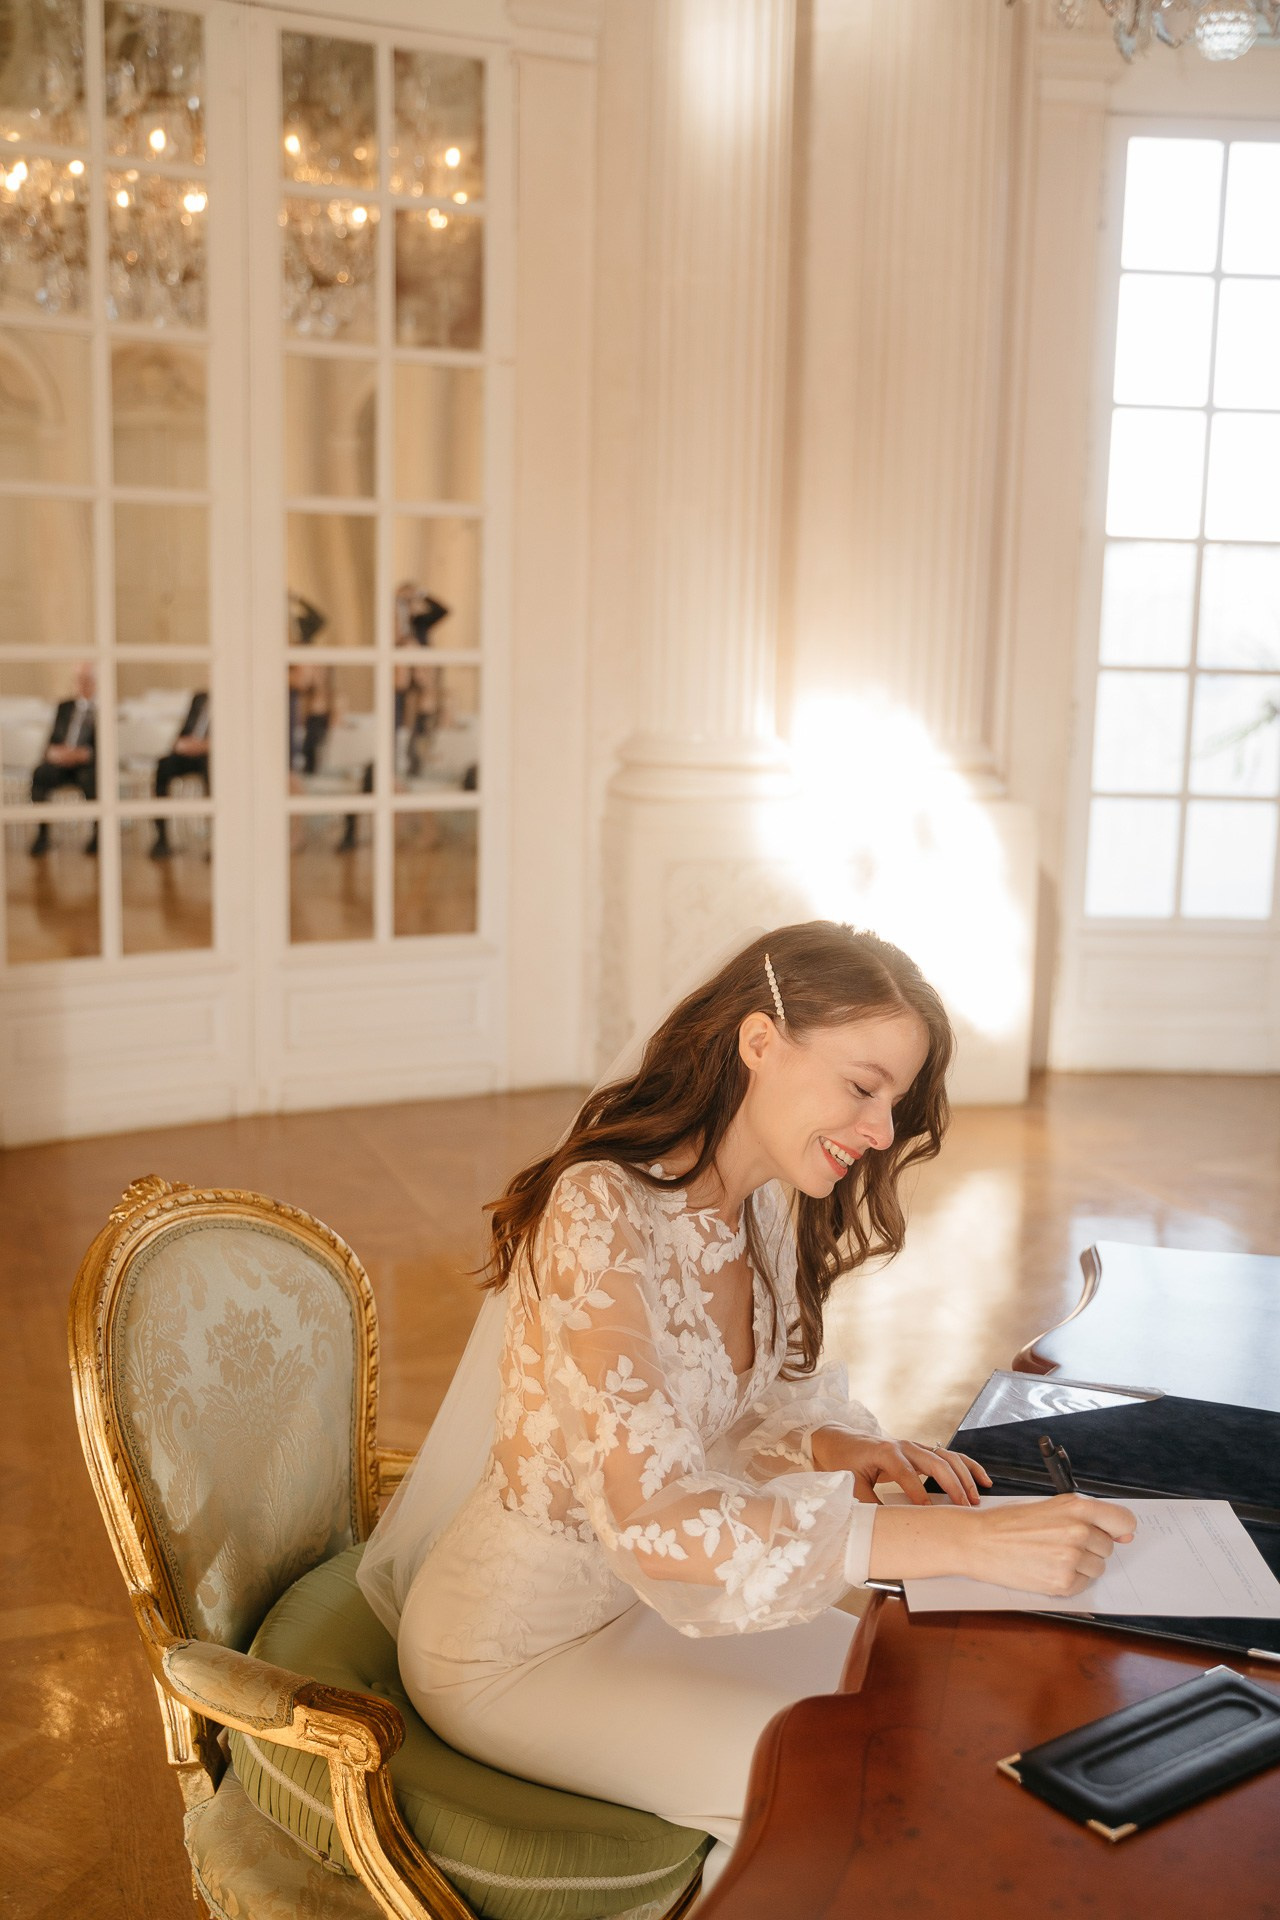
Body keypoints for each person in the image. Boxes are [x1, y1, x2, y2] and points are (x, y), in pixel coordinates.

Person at [359, 924, 1135, 1882]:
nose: (885, 1132)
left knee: (920, 1715)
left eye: (898, 1099)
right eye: (864, 1086)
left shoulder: (766, 1202)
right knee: (845, 1795)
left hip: (660, 1609)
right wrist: (961, 1544)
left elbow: (755, 1404)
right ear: (760, 1041)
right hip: (521, 1646)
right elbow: (651, 1520)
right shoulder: (597, 1211)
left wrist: (854, 1449)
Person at [29, 662, 98, 857]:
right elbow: (52, 740)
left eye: (87, 680)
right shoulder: (64, 707)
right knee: (40, 774)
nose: (82, 684)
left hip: (88, 764)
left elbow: (105, 748)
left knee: (93, 778)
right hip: (61, 763)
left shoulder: (102, 709)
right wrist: (54, 753)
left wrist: (82, 755)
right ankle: (42, 835)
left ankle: (98, 836)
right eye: (78, 680)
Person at [150, 690, 210, 858]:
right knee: (163, 765)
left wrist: (205, 745)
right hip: (189, 752)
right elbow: (184, 729)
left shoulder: (233, 699)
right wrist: (179, 744)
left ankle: (217, 839)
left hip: (212, 755)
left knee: (212, 769)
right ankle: (162, 838)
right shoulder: (200, 698)